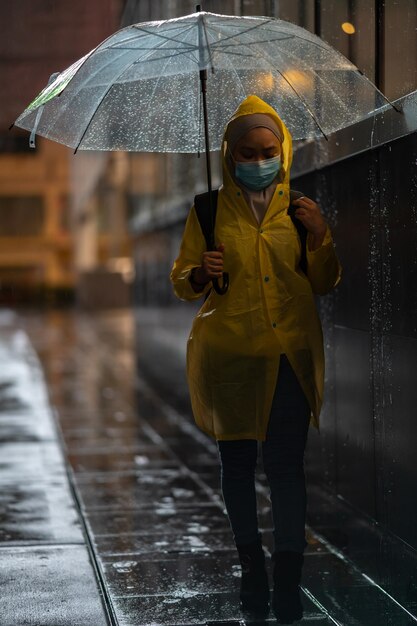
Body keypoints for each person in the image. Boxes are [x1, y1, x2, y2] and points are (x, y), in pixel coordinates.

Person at [170, 95, 341, 623]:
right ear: (230, 155)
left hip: (288, 356)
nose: (259, 159)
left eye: (268, 150)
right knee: (238, 466)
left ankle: (288, 567)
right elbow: (181, 282)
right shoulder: (207, 210)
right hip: (229, 360)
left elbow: (325, 281)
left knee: (286, 467)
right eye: (247, 151)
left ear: (282, 150)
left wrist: (319, 236)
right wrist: (201, 271)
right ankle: (251, 563)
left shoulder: (299, 209)